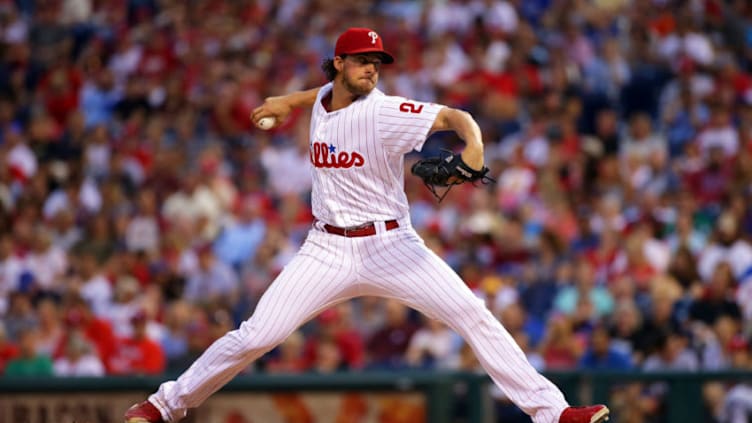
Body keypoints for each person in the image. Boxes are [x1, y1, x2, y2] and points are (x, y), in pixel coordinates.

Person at [125, 27, 609, 423]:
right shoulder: (323, 100)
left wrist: (474, 145)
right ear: (339, 64)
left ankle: (554, 413)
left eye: (377, 61)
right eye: (361, 60)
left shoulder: (384, 111)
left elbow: (454, 116)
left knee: (472, 313)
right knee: (256, 336)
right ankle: (164, 405)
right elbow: (318, 96)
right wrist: (286, 102)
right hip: (326, 249)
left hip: (392, 245)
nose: (371, 68)